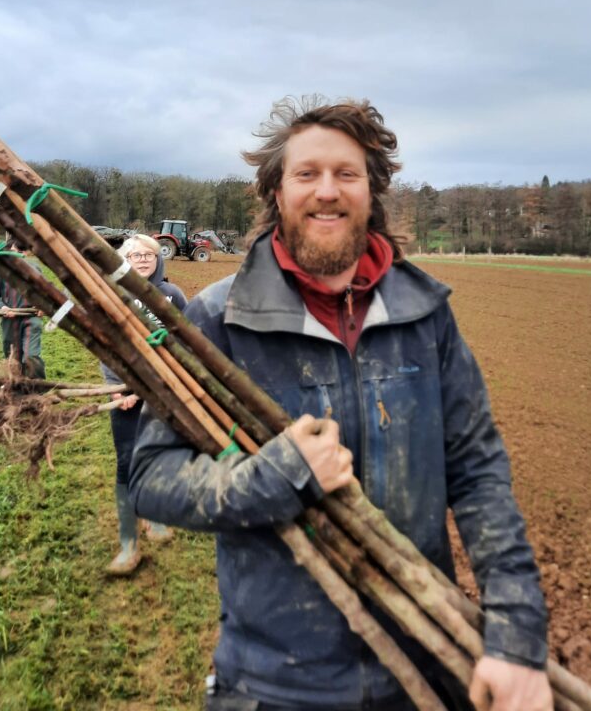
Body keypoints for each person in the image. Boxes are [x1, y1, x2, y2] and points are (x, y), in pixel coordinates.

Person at [129, 98, 553, 711]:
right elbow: (152, 476)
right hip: (276, 681)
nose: (326, 191)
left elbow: (479, 472)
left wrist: (515, 636)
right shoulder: (218, 320)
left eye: (346, 174)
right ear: (276, 191)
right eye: (306, 174)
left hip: (428, 660)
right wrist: (281, 475)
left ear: (371, 191)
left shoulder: (424, 314)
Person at [103, 233, 187, 575]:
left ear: (158, 259)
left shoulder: (171, 295)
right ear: (124, 259)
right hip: (123, 392)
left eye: (147, 255)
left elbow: (186, 344)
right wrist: (115, 388)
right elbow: (105, 343)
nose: (141, 260)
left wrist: (156, 385)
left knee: (157, 455)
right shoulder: (112, 294)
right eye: (134, 255)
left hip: (162, 391)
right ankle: (128, 543)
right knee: (127, 461)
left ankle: (154, 517)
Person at [0, 246, 46, 379]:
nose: (19, 255)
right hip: (9, 321)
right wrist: (2, 308)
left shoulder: (35, 270)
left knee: (31, 356)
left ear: (26, 252)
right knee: (13, 357)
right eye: (15, 252)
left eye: (22, 251)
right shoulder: (0, 273)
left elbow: (45, 295)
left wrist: (43, 306)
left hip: (31, 318)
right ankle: (16, 387)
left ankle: (38, 390)